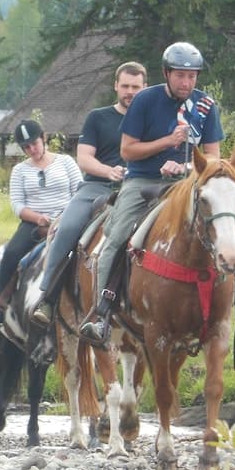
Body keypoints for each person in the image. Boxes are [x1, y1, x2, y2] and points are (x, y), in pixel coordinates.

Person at [79, 42, 225, 343]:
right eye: (180, 76)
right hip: (143, 182)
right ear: (166, 73)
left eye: (192, 76)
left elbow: (213, 157)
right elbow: (127, 151)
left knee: (234, 229)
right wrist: (167, 142)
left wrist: (185, 165)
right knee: (115, 237)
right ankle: (102, 312)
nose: (187, 83)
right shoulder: (145, 100)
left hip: (188, 184)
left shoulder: (205, 106)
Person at [31, 61, 147, 326]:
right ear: (116, 86)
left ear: (145, 88)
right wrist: (108, 171)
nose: (130, 91)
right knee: (67, 228)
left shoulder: (150, 119)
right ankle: (47, 296)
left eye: (136, 87)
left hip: (140, 189)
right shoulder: (98, 117)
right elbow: (84, 158)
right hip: (97, 186)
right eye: (126, 86)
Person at [0, 119, 82, 325]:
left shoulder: (66, 162)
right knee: (12, 253)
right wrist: (38, 218)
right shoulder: (19, 170)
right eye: (26, 147)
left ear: (43, 138)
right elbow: (17, 205)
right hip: (34, 223)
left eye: (34, 143)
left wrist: (66, 216)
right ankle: (0, 304)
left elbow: (79, 192)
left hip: (67, 220)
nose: (32, 149)